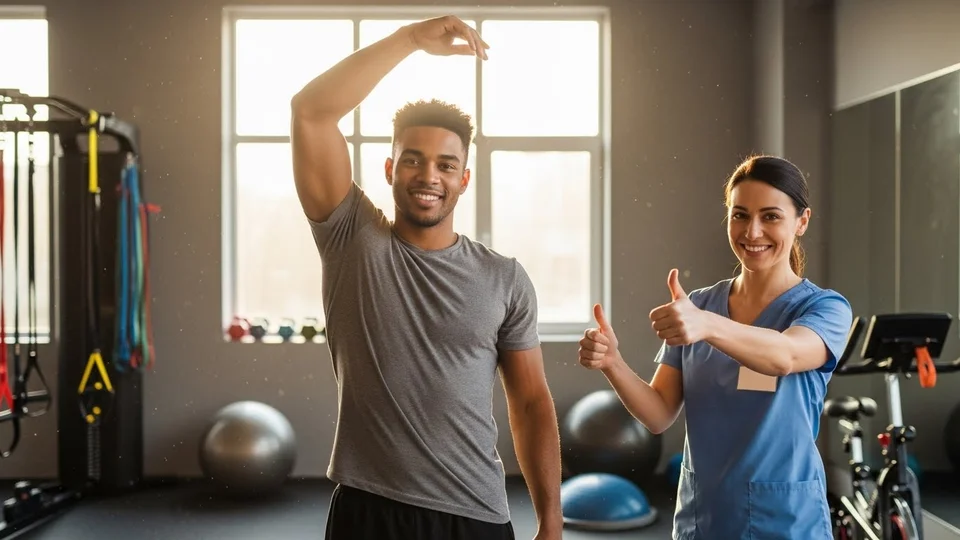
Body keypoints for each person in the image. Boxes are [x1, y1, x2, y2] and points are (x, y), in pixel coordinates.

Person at [290, 14, 563, 540]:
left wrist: (551, 519)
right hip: (369, 510)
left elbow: (530, 402)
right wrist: (410, 41)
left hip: (475, 514)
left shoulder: (504, 278)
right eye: (413, 160)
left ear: (463, 177)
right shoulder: (351, 238)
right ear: (391, 169)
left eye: (444, 164)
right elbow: (310, 112)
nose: (428, 176)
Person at [578, 155, 852, 539]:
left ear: (801, 221)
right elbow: (658, 414)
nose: (752, 232)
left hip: (785, 522)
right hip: (703, 519)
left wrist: (706, 325)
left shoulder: (824, 308)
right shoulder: (700, 305)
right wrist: (613, 363)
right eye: (740, 215)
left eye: (770, 216)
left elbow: (784, 356)